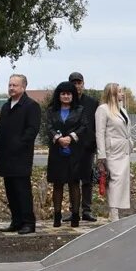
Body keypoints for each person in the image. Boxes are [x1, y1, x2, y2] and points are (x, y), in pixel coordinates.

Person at [0, 73, 41, 234]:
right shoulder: (7, 106)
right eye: (10, 85)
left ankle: (28, 222)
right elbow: (1, 129)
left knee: (22, 190)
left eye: (15, 85)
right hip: (5, 156)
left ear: (23, 87)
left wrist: (18, 145)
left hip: (20, 156)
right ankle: (16, 221)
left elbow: (32, 130)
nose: (11, 88)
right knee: (11, 190)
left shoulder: (31, 106)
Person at [45, 81, 90, 227]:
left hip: (75, 152)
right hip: (57, 151)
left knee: (74, 183)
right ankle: (57, 217)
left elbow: (84, 126)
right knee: (58, 184)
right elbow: (49, 126)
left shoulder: (80, 110)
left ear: (73, 95)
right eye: (63, 94)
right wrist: (58, 139)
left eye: (68, 93)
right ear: (58, 95)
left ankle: (75, 216)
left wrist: (70, 138)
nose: (65, 96)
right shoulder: (51, 110)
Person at [95, 83, 132, 222]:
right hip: (112, 151)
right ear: (112, 94)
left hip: (123, 150)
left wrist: (130, 144)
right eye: (120, 92)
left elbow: (126, 129)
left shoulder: (122, 109)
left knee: (121, 180)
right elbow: (100, 132)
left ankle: (116, 211)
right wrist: (101, 154)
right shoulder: (103, 109)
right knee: (114, 181)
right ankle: (113, 212)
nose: (123, 94)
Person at [69, 71, 99, 222]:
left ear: (83, 84)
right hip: (71, 146)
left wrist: (94, 142)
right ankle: (73, 210)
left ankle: (87, 210)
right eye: (74, 83)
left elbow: (97, 124)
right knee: (72, 178)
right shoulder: (66, 101)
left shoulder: (92, 103)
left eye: (79, 83)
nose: (77, 86)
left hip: (88, 146)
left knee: (87, 179)